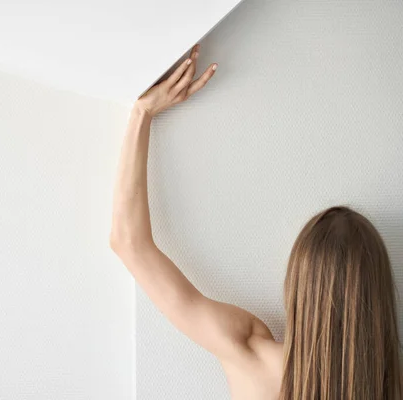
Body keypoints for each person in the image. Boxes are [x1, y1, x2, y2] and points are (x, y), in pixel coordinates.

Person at [109, 44, 402, 399]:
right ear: (380, 291)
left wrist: (142, 113)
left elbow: (128, 242)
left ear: (300, 285)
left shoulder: (248, 352)